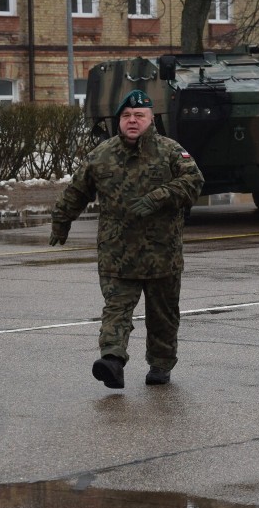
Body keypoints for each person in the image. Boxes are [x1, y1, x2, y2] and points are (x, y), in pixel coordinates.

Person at [49, 89, 204, 389]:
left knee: (163, 316)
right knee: (116, 310)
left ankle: (160, 365)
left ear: (151, 119)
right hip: (116, 253)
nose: (132, 121)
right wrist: (61, 221)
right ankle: (112, 360)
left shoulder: (171, 151)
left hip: (161, 255)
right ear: (119, 121)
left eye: (139, 115)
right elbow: (77, 191)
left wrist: (159, 197)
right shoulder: (101, 155)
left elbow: (193, 182)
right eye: (126, 116)